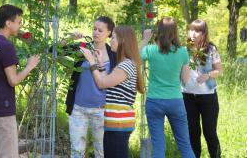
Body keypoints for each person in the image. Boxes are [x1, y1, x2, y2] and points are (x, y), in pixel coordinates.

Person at [0, 4, 40, 158]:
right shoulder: (6, 46)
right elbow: (13, 80)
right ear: (8, 23)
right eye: (19, 21)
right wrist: (30, 66)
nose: (20, 25)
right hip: (3, 111)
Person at [81, 26, 144, 158]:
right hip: (115, 124)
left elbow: (101, 83)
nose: (111, 41)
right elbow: (105, 85)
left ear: (123, 41)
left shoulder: (125, 65)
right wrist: (100, 64)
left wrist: (91, 62)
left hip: (118, 124)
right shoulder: (125, 64)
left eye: (113, 37)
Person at [140, 17, 195, 158]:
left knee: (158, 146)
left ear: (158, 31)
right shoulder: (182, 52)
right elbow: (186, 80)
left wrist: (145, 39)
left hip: (154, 101)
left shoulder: (150, 50)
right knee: (185, 145)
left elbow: (135, 58)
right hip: (175, 101)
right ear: (174, 32)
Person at [65, 16, 116, 158]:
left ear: (109, 33)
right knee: (76, 151)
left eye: (100, 30)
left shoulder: (113, 54)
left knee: (102, 151)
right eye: (94, 29)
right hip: (78, 109)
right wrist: (70, 37)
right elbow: (54, 50)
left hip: (102, 110)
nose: (96, 32)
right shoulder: (83, 48)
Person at [183, 19, 222, 158]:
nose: (193, 33)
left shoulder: (211, 49)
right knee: (193, 132)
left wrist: (208, 75)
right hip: (187, 96)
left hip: (208, 97)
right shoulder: (183, 49)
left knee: (209, 132)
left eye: (198, 30)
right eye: (191, 29)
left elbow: (219, 70)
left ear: (204, 33)